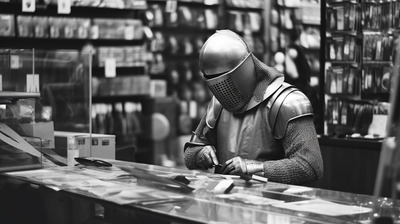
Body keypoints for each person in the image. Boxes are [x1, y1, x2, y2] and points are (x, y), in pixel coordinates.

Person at [183, 30, 323, 185]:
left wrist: (254, 168)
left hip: (272, 204)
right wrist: (201, 154)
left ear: (243, 69)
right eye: (211, 79)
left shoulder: (287, 102)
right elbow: (190, 154)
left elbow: (310, 165)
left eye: (223, 78)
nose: (220, 88)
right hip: (225, 201)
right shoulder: (219, 103)